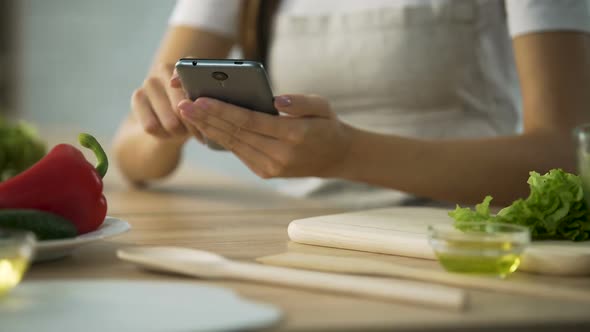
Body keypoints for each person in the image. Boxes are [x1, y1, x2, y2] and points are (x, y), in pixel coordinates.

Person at [113, 0, 590, 208]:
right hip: (302, 238)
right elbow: (131, 152)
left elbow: (566, 159)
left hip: (463, 240)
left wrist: (347, 155)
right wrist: (171, 122)